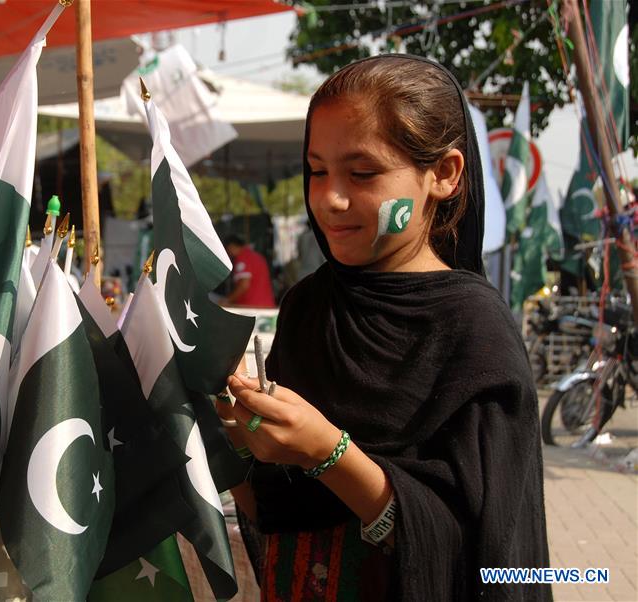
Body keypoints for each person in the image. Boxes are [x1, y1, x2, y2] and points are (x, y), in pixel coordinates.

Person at [219, 55, 550, 601]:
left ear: (442, 174)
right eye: (317, 170)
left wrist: (329, 452)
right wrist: (229, 426)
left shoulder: (475, 331)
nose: (330, 198)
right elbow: (271, 507)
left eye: (363, 173)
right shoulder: (308, 307)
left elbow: (488, 556)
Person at [223, 234, 277, 308]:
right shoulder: (255, 256)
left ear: (231, 246)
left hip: (251, 307)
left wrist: (227, 300)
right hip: (266, 306)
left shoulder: (242, 258)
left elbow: (244, 285)